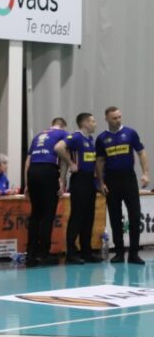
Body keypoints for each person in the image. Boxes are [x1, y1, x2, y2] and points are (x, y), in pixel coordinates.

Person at [96, 106, 149, 264]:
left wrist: (145, 173)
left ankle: (134, 254)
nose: (118, 120)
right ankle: (119, 252)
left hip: (128, 179)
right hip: (111, 180)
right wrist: (101, 182)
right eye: (114, 118)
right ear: (106, 119)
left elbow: (141, 152)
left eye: (119, 117)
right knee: (115, 216)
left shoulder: (130, 133)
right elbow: (100, 161)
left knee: (135, 215)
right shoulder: (101, 138)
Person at [24, 118, 70, 266]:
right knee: (48, 215)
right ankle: (44, 254)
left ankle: (30, 254)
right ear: (63, 126)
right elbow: (63, 158)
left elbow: (28, 161)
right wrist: (62, 180)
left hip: (33, 172)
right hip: (48, 171)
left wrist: (27, 184)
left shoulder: (38, 136)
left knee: (35, 215)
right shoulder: (63, 134)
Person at [58, 112, 100, 264]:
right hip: (79, 180)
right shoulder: (76, 137)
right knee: (77, 216)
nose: (95, 124)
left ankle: (86, 251)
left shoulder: (90, 140)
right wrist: (71, 164)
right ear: (85, 123)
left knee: (89, 217)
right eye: (93, 121)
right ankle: (71, 253)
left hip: (90, 181)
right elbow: (59, 147)